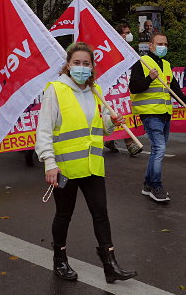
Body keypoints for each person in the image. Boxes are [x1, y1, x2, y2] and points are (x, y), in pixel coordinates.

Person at [35, 42, 137, 283]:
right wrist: (49, 162)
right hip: (66, 167)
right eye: (77, 63)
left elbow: (100, 126)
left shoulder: (95, 91)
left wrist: (112, 121)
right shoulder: (56, 89)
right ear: (68, 65)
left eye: (86, 64)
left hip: (92, 165)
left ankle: (110, 265)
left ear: (92, 67)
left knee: (101, 213)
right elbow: (44, 131)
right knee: (64, 215)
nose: (81, 67)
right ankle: (60, 260)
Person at [129, 33, 186, 203]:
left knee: (157, 150)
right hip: (150, 113)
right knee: (159, 149)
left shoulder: (166, 64)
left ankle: (148, 184)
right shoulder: (142, 63)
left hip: (165, 114)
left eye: (165, 44)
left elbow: (174, 88)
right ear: (151, 45)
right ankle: (156, 186)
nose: (163, 47)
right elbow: (134, 87)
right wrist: (149, 78)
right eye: (159, 43)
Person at [103, 23, 143, 156]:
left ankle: (127, 143)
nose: (129, 35)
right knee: (115, 114)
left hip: (126, 86)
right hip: (113, 88)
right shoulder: (110, 50)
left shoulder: (130, 50)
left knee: (126, 113)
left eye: (129, 32)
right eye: (126, 33)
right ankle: (125, 143)